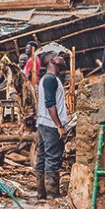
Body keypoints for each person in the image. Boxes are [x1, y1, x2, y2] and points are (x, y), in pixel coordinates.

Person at [35, 54, 70, 199]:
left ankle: (41, 193)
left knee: (42, 157)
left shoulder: (47, 79)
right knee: (52, 158)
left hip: (43, 123)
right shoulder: (50, 79)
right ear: (51, 61)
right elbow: (50, 104)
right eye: (58, 57)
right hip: (50, 125)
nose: (62, 58)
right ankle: (51, 195)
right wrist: (59, 126)